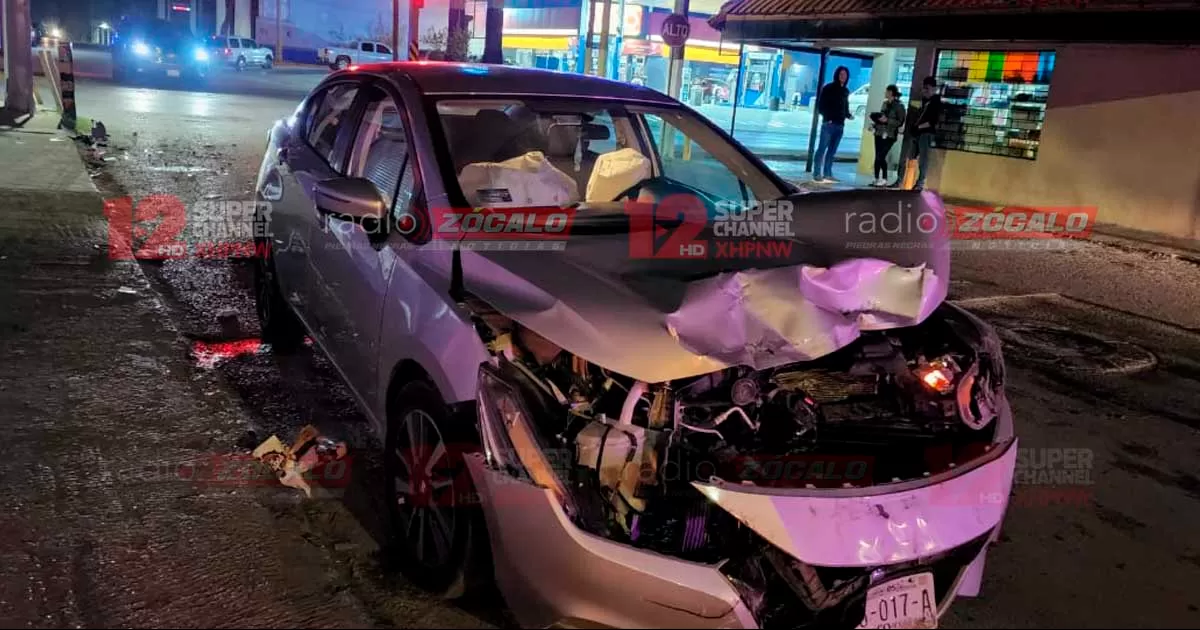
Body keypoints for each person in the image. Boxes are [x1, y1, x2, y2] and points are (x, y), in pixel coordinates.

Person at [894, 76, 943, 191]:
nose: (925, 91)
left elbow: (932, 121)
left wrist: (918, 127)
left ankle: (920, 182)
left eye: (928, 88)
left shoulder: (935, 102)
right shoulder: (924, 101)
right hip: (918, 133)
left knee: (923, 159)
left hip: (926, 133)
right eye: (924, 88)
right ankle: (907, 180)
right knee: (911, 157)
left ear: (934, 89)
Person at [812, 66, 852, 183]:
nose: (843, 77)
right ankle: (817, 173)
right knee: (822, 149)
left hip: (840, 125)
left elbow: (845, 106)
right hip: (829, 124)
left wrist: (848, 115)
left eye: (845, 75)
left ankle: (828, 173)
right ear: (837, 75)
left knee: (832, 151)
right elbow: (821, 106)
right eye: (841, 74)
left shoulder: (845, 91)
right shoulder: (828, 88)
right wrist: (827, 118)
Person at [870, 85, 906, 187]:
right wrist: (875, 124)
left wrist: (888, 120)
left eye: (887, 91)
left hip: (890, 134)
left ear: (891, 92)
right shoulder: (885, 104)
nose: (885, 93)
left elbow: (900, 121)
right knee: (877, 156)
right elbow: (880, 116)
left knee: (881, 156)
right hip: (879, 132)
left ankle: (884, 178)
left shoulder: (899, 106)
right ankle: (876, 178)